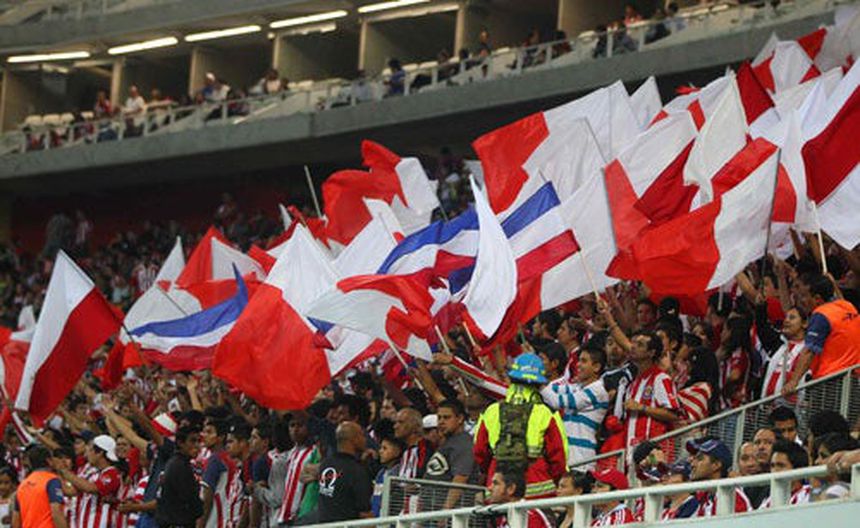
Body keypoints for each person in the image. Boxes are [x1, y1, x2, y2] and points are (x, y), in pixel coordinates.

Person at [474, 353, 568, 500]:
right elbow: (558, 456)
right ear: (539, 384)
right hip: (538, 488)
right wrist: (558, 482)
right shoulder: (547, 413)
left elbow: (480, 452)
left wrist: (491, 471)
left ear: (512, 378)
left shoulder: (491, 411)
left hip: (498, 484)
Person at [783, 274, 860, 395]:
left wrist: (793, 382)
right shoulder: (848, 306)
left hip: (829, 383)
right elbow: (839, 299)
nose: (801, 301)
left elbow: (809, 352)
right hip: (853, 382)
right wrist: (833, 284)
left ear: (817, 298)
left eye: (804, 296)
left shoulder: (821, 315)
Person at [540, 344, 609, 469]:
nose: (578, 365)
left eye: (583, 361)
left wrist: (539, 385)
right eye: (578, 361)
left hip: (581, 459)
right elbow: (551, 388)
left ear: (596, 367)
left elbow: (556, 401)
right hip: (568, 456)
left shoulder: (597, 392)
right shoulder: (577, 387)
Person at [622, 331, 680, 452]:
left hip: (653, 452)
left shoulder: (661, 379)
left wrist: (642, 407)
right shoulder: (632, 385)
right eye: (633, 343)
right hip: (631, 451)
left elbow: (673, 415)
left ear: (651, 352)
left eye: (640, 345)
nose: (633, 347)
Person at [422, 399, 475, 510]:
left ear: (460, 419)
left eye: (446, 417)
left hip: (450, 513)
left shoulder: (463, 443)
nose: (441, 422)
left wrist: (446, 510)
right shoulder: (447, 443)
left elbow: (460, 478)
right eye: (439, 418)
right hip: (430, 511)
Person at [315, 422, 372, 523]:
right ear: (354, 439)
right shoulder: (357, 471)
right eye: (362, 435)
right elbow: (364, 513)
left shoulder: (325, 464)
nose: (365, 439)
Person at [687, 438, 751, 515]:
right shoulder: (706, 497)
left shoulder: (733, 498)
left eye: (700, 459)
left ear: (716, 465)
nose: (692, 464)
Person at [155, 426, 202, 528]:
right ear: (180, 443)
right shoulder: (180, 466)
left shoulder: (174, 462)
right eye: (192, 441)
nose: (197, 446)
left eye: (199, 441)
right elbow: (190, 500)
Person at [11, 445, 67, 528]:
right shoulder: (51, 481)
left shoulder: (22, 485)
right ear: (49, 461)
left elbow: (15, 521)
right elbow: (56, 512)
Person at [276, 413, 317, 525]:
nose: (295, 429)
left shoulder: (314, 452)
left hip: (301, 516)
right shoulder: (290, 454)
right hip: (284, 517)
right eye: (292, 425)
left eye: (300, 425)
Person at [484, 463, 553, 528]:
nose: (490, 488)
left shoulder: (531, 517)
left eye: (496, 483)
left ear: (511, 489)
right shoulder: (502, 516)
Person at [198, 419, 236, 528]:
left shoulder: (214, 460)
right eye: (204, 431)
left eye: (209, 432)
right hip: (228, 518)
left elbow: (207, 498)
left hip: (214, 521)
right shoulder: (229, 458)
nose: (204, 435)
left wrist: (200, 524)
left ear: (220, 437)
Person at [758, 439, 811, 508]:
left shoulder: (809, 496)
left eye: (781, 465)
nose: (775, 470)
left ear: (797, 468)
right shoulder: (768, 501)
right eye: (772, 466)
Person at [370, 437, 403, 517]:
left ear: (397, 452)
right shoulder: (380, 473)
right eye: (380, 448)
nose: (380, 451)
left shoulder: (399, 474)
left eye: (385, 448)